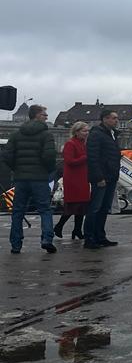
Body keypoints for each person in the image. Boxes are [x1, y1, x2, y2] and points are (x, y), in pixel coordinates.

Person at [4, 104, 57, 254]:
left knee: (18, 211)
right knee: (45, 210)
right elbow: (49, 156)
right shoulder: (46, 135)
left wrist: (17, 168)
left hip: (20, 178)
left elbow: (7, 156)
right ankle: (46, 239)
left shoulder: (16, 134)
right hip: (39, 178)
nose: (46, 118)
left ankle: (16, 244)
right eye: (44, 115)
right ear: (37, 116)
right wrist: (47, 170)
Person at [84, 108, 121, 249]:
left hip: (111, 176)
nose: (116, 120)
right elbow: (92, 158)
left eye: (117, 118)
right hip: (101, 177)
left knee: (105, 208)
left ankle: (100, 235)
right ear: (105, 119)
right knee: (95, 208)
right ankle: (89, 237)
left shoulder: (112, 134)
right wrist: (99, 177)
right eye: (114, 118)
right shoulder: (96, 134)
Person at [55, 121, 90, 239]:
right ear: (76, 132)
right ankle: (59, 226)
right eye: (84, 131)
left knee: (82, 205)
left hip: (82, 178)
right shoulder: (70, 144)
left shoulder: (83, 144)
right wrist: (85, 157)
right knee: (73, 205)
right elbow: (69, 161)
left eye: (87, 131)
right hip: (73, 179)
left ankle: (77, 230)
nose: (87, 133)